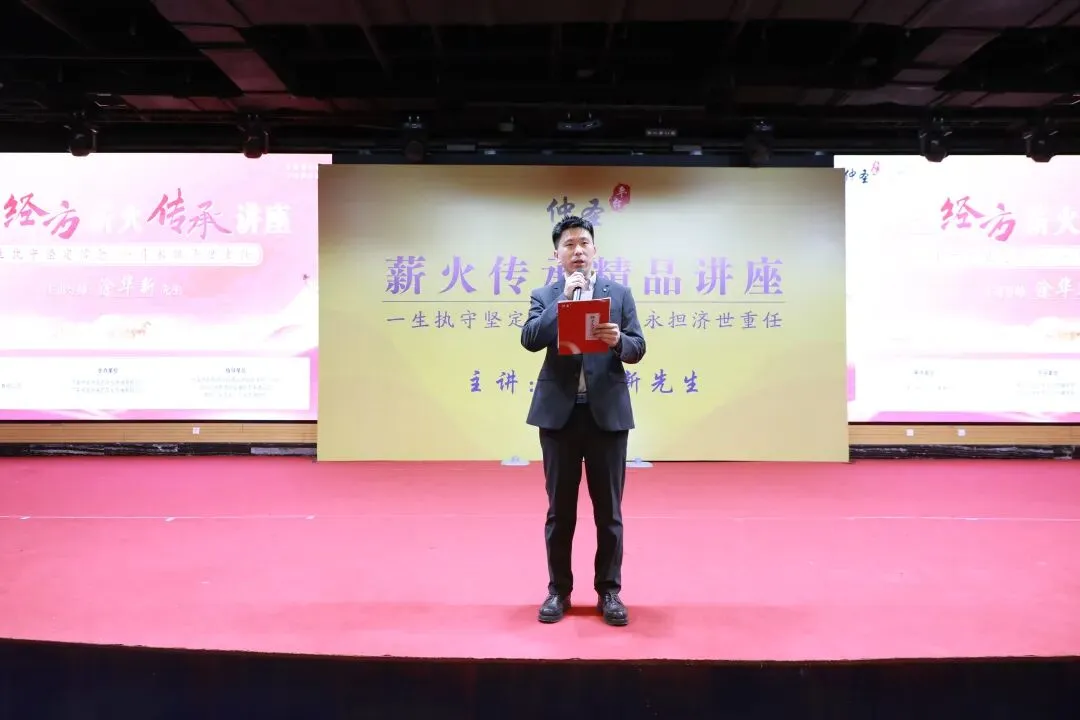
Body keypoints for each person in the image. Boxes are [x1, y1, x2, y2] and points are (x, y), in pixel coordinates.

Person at [520, 215, 646, 626]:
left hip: (606, 417)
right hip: (559, 418)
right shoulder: (545, 295)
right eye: (569, 245)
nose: (577, 251)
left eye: (584, 243)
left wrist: (618, 341)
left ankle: (609, 591)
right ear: (557, 254)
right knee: (560, 512)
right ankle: (558, 590)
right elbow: (530, 339)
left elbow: (638, 347)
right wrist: (562, 303)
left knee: (609, 512)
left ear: (595, 250)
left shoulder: (618, 294)